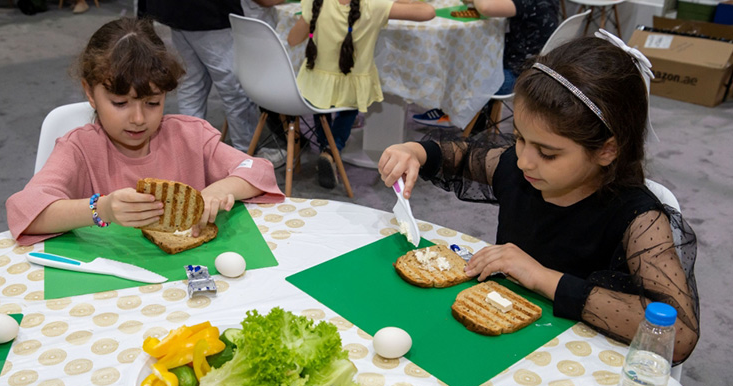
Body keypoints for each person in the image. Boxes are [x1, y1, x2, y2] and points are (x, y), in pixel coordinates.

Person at [378, 33, 699, 364]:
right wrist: (414, 151)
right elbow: (458, 157)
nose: (523, 161)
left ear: (607, 150)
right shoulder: (521, 169)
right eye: (519, 138)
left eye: (547, 153)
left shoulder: (639, 219)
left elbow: (681, 334)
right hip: (501, 337)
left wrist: (541, 276)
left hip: (581, 361)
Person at [6, 17, 284, 246]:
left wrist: (222, 188)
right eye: (119, 103)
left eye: (153, 103)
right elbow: (24, 210)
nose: (138, 119)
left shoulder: (190, 136)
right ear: (90, 92)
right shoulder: (79, 148)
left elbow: (258, 170)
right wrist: (100, 209)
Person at [287, 0, 435, 189]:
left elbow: (292, 40)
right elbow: (428, 11)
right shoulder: (374, 5)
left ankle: (327, 147)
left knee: (319, 103)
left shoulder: (315, 2)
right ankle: (331, 152)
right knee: (349, 109)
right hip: (353, 85)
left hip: (315, 84)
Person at [143, 0, 287, 168]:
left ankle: (192, 154)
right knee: (234, 90)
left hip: (173, 12)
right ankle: (246, 154)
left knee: (191, 87)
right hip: (210, 14)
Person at [412, 0, 558, 129]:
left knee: (463, 66)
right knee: (474, 58)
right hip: (529, 69)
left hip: (515, 77)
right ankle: (476, 118)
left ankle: (453, 114)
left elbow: (486, 7)